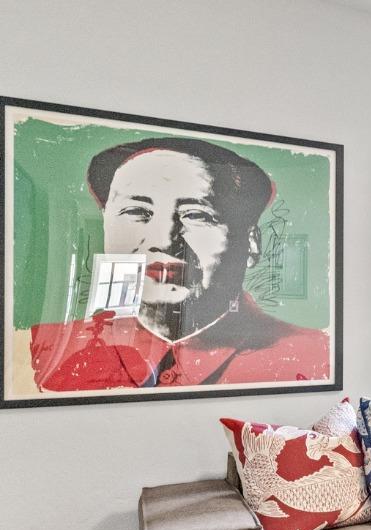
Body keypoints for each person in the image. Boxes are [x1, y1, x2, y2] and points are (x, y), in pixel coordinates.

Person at [27, 137, 330, 392]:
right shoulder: (44, 347)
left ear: (251, 243)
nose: (164, 240)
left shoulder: (313, 354)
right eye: (136, 211)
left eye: (197, 215)